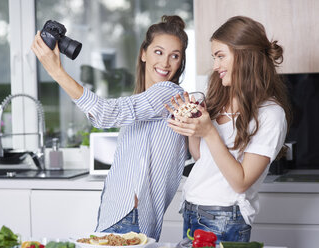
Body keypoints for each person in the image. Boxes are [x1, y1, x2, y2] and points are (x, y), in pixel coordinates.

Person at [32, 15, 188, 240]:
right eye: (159, 52)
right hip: (117, 215)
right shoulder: (144, 100)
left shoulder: (170, 94)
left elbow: (105, 114)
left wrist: (56, 71)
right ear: (143, 53)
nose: (165, 63)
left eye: (175, 56)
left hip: (129, 217)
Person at [166, 16, 291, 243]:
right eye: (214, 57)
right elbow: (202, 158)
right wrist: (192, 125)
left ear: (245, 56)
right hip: (191, 209)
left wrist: (209, 132)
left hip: (225, 217)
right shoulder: (218, 98)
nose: (215, 66)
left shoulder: (271, 114)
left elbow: (241, 181)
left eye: (221, 56)